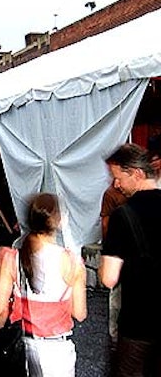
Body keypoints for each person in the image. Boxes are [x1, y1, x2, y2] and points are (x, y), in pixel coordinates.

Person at [0, 193, 87, 376]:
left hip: (21, 347)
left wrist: (5, 336)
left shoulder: (11, 258)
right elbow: (79, 314)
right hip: (57, 353)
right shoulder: (73, 263)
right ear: (59, 221)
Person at [99, 143, 161, 376]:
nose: (116, 184)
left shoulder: (123, 215)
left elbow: (108, 278)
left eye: (118, 177)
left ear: (136, 173)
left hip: (138, 323)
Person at [100, 183, 127, 346]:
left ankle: (116, 337)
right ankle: (116, 337)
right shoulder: (112, 193)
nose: (117, 183)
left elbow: (105, 224)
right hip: (122, 251)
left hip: (121, 250)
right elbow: (105, 224)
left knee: (117, 295)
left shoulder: (111, 193)